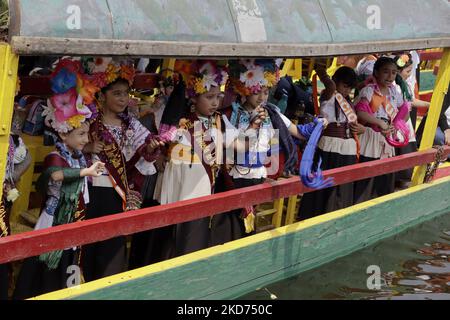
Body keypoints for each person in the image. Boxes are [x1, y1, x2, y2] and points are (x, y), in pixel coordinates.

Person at [13, 58, 104, 299]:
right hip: (55, 218)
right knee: (47, 261)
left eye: (87, 133)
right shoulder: (56, 157)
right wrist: (85, 172)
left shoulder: (78, 157)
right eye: (82, 134)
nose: (86, 139)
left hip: (74, 215)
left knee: (69, 259)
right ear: (64, 134)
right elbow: (55, 176)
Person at [81, 58, 163, 281]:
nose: (123, 98)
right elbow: (70, 145)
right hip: (91, 192)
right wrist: (88, 146)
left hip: (117, 194)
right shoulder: (89, 122)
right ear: (102, 95)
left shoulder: (131, 125)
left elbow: (145, 150)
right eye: (116, 93)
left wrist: (152, 148)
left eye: (126, 93)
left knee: (112, 246)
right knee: (87, 244)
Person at [297, 65, 365, 220]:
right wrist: (321, 70)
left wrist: (361, 129)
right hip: (330, 146)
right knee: (324, 185)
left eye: (349, 88)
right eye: (344, 86)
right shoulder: (329, 95)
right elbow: (331, 86)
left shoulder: (349, 102)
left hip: (347, 146)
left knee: (342, 187)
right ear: (335, 82)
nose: (346, 91)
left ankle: (338, 216)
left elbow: (354, 125)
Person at [353, 57, 409, 202]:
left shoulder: (394, 92)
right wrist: (379, 122)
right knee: (366, 181)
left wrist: (396, 125)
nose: (390, 76)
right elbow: (361, 112)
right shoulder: (369, 91)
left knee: (384, 181)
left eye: (394, 73)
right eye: (386, 72)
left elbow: (404, 111)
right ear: (376, 72)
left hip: (387, 138)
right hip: (370, 138)